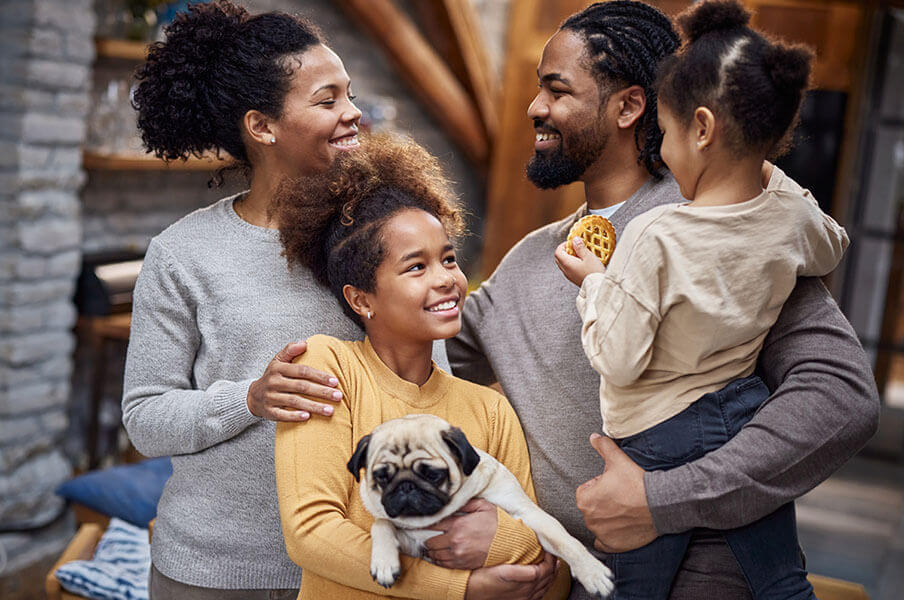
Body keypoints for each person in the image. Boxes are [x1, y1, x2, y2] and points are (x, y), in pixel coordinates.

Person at [282, 1, 877, 598]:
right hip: (577, 577)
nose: (535, 108)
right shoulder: (528, 262)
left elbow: (840, 399)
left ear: (628, 107)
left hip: (708, 571)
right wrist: (280, 381)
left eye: (557, 90)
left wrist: (660, 500)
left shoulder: (722, 233)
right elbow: (405, 352)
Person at [553, 1, 848, 598]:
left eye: (666, 131)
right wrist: (771, 177)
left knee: (626, 587)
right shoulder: (790, 214)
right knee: (782, 579)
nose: (660, 152)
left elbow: (619, 357)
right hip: (742, 413)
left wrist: (592, 285)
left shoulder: (655, 234)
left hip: (658, 438)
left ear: (704, 129)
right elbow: (832, 248)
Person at [122, 1, 368, 596]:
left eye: (349, 94)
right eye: (327, 99)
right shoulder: (183, 253)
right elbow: (145, 419)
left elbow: (428, 386)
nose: (353, 113)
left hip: (356, 566)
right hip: (211, 572)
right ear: (263, 126)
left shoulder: (378, 237)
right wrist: (251, 398)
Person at [273, 133, 567, 600]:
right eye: (416, 267)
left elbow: (547, 567)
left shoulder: (488, 409)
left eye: (448, 259)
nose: (447, 280)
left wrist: (505, 539)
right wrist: (461, 588)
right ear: (361, 299)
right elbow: (311, 532)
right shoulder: (329, 368)